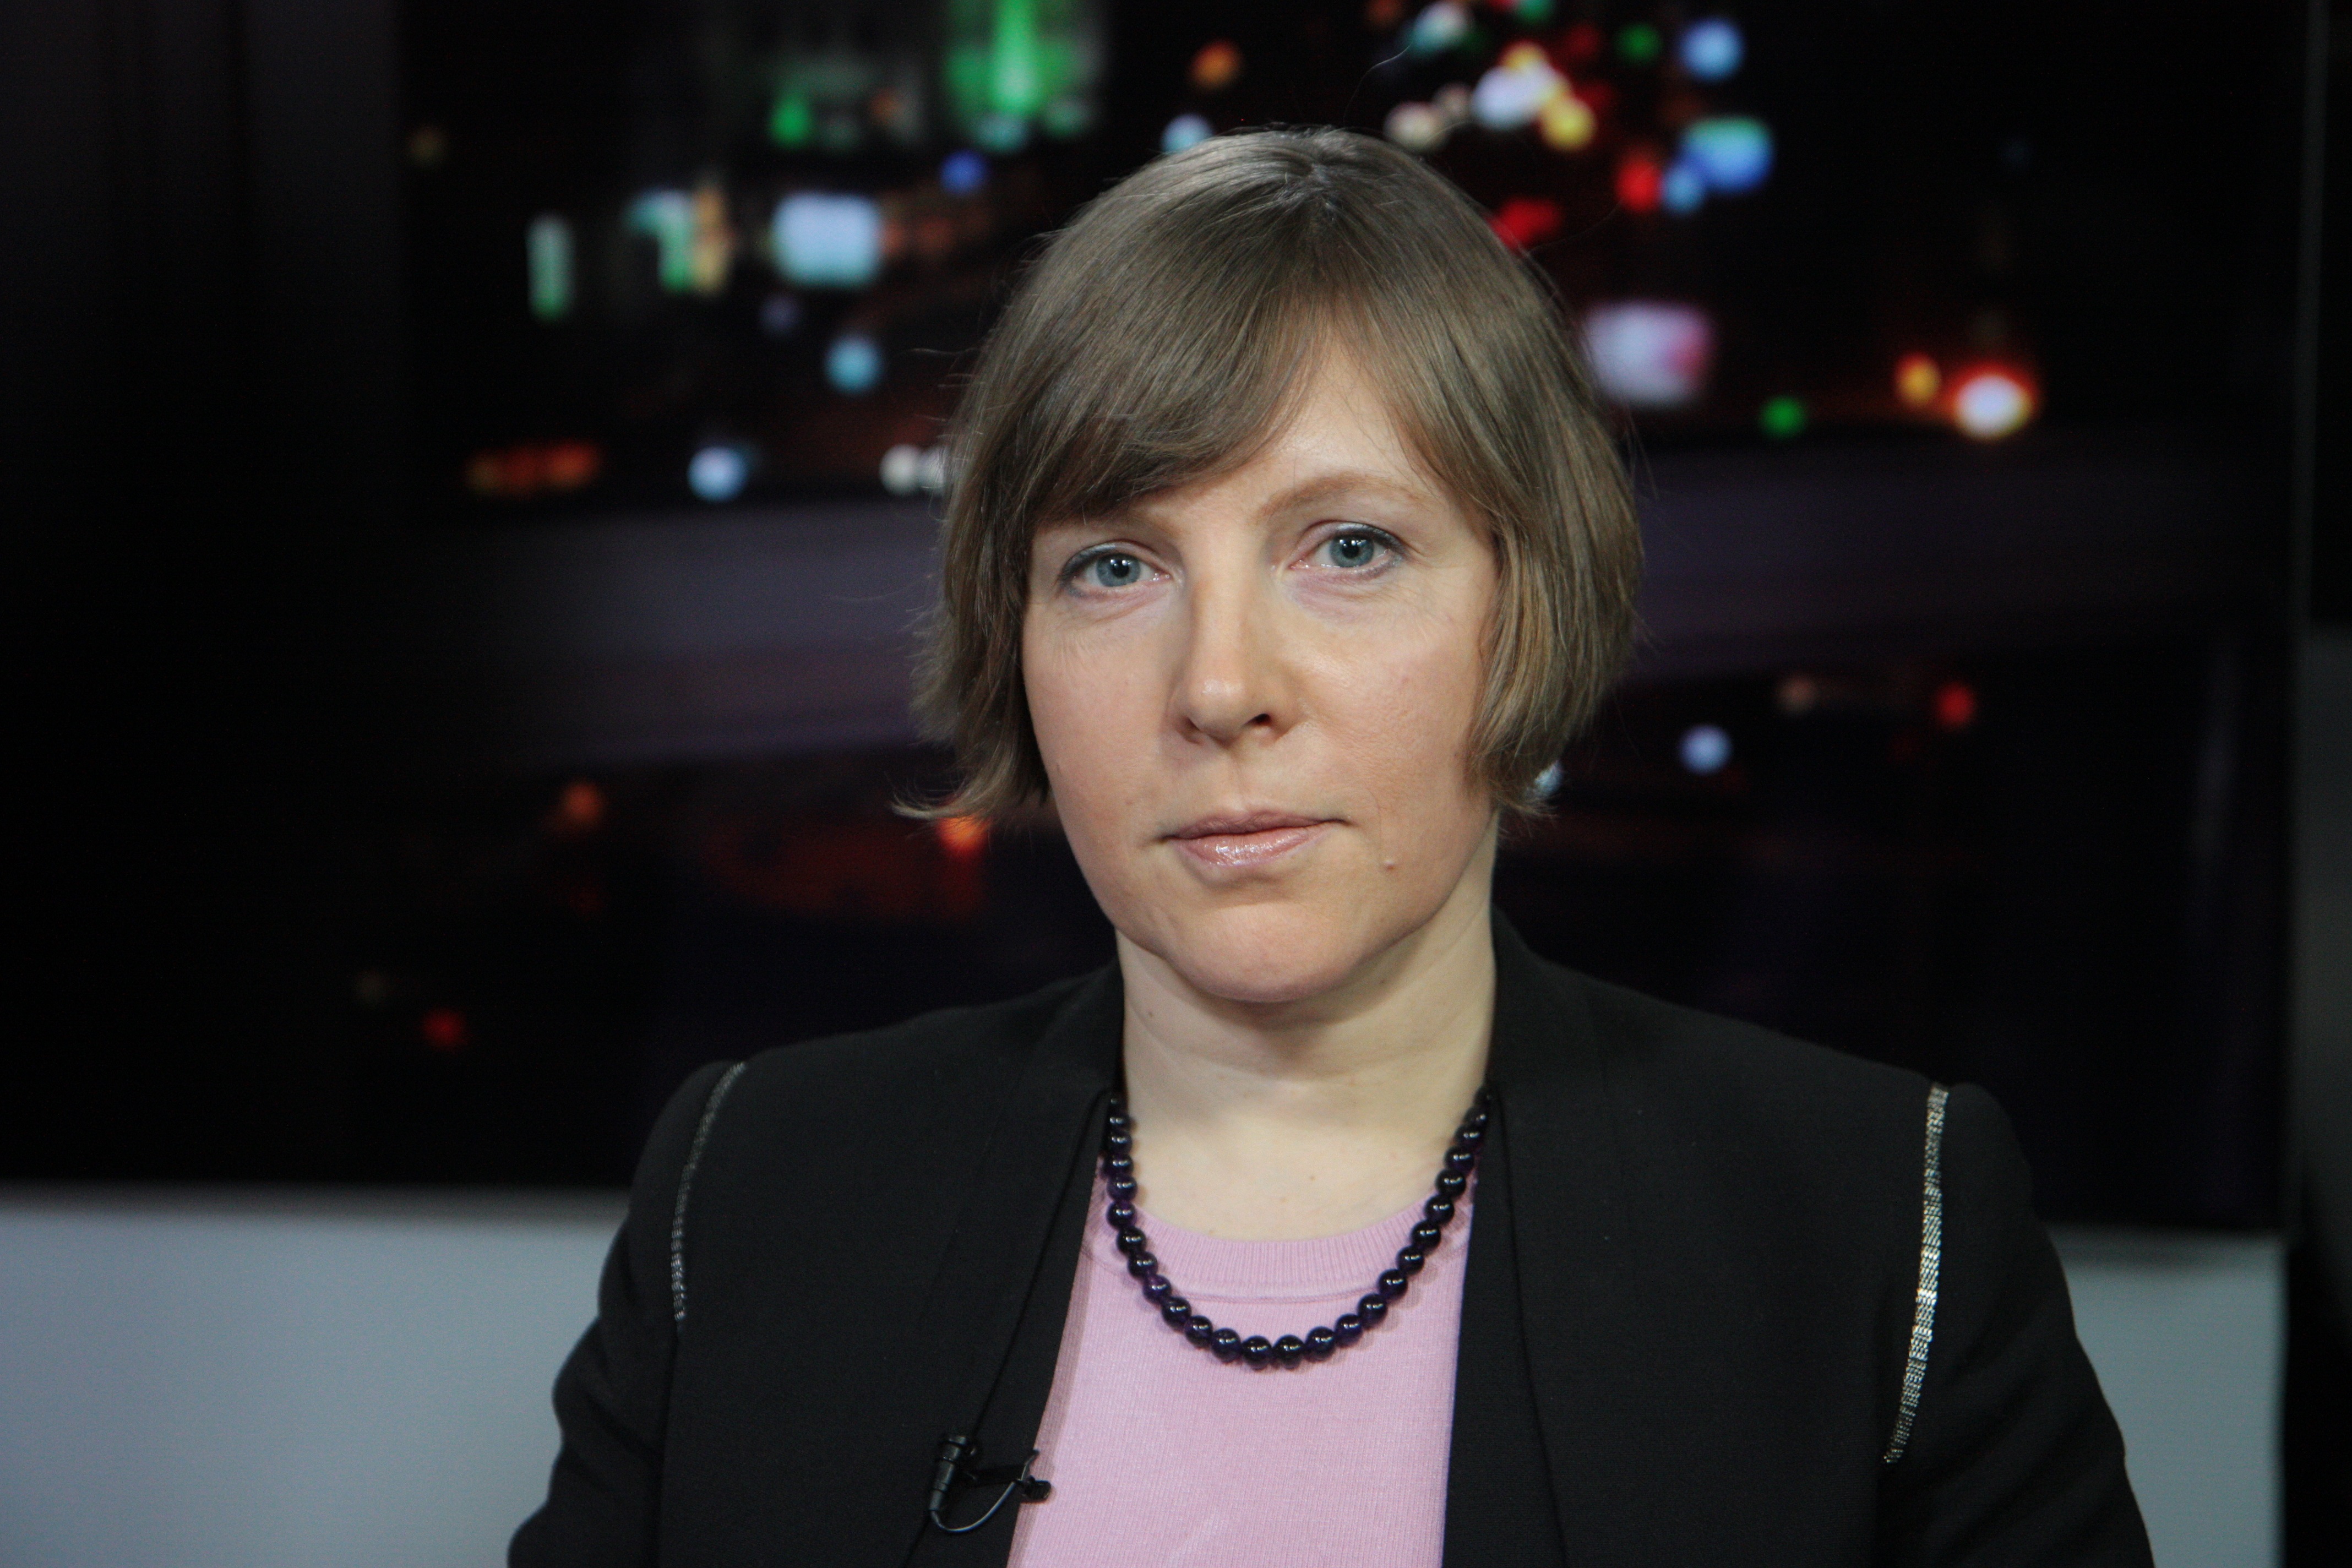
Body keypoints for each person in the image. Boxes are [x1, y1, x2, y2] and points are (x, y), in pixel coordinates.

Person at [511, 128, 2149, 1567]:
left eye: (1348, 547)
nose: (1220, 685)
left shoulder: (1883, 1232)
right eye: (1113, 568)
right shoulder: (749, 1190)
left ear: (1526, 604)